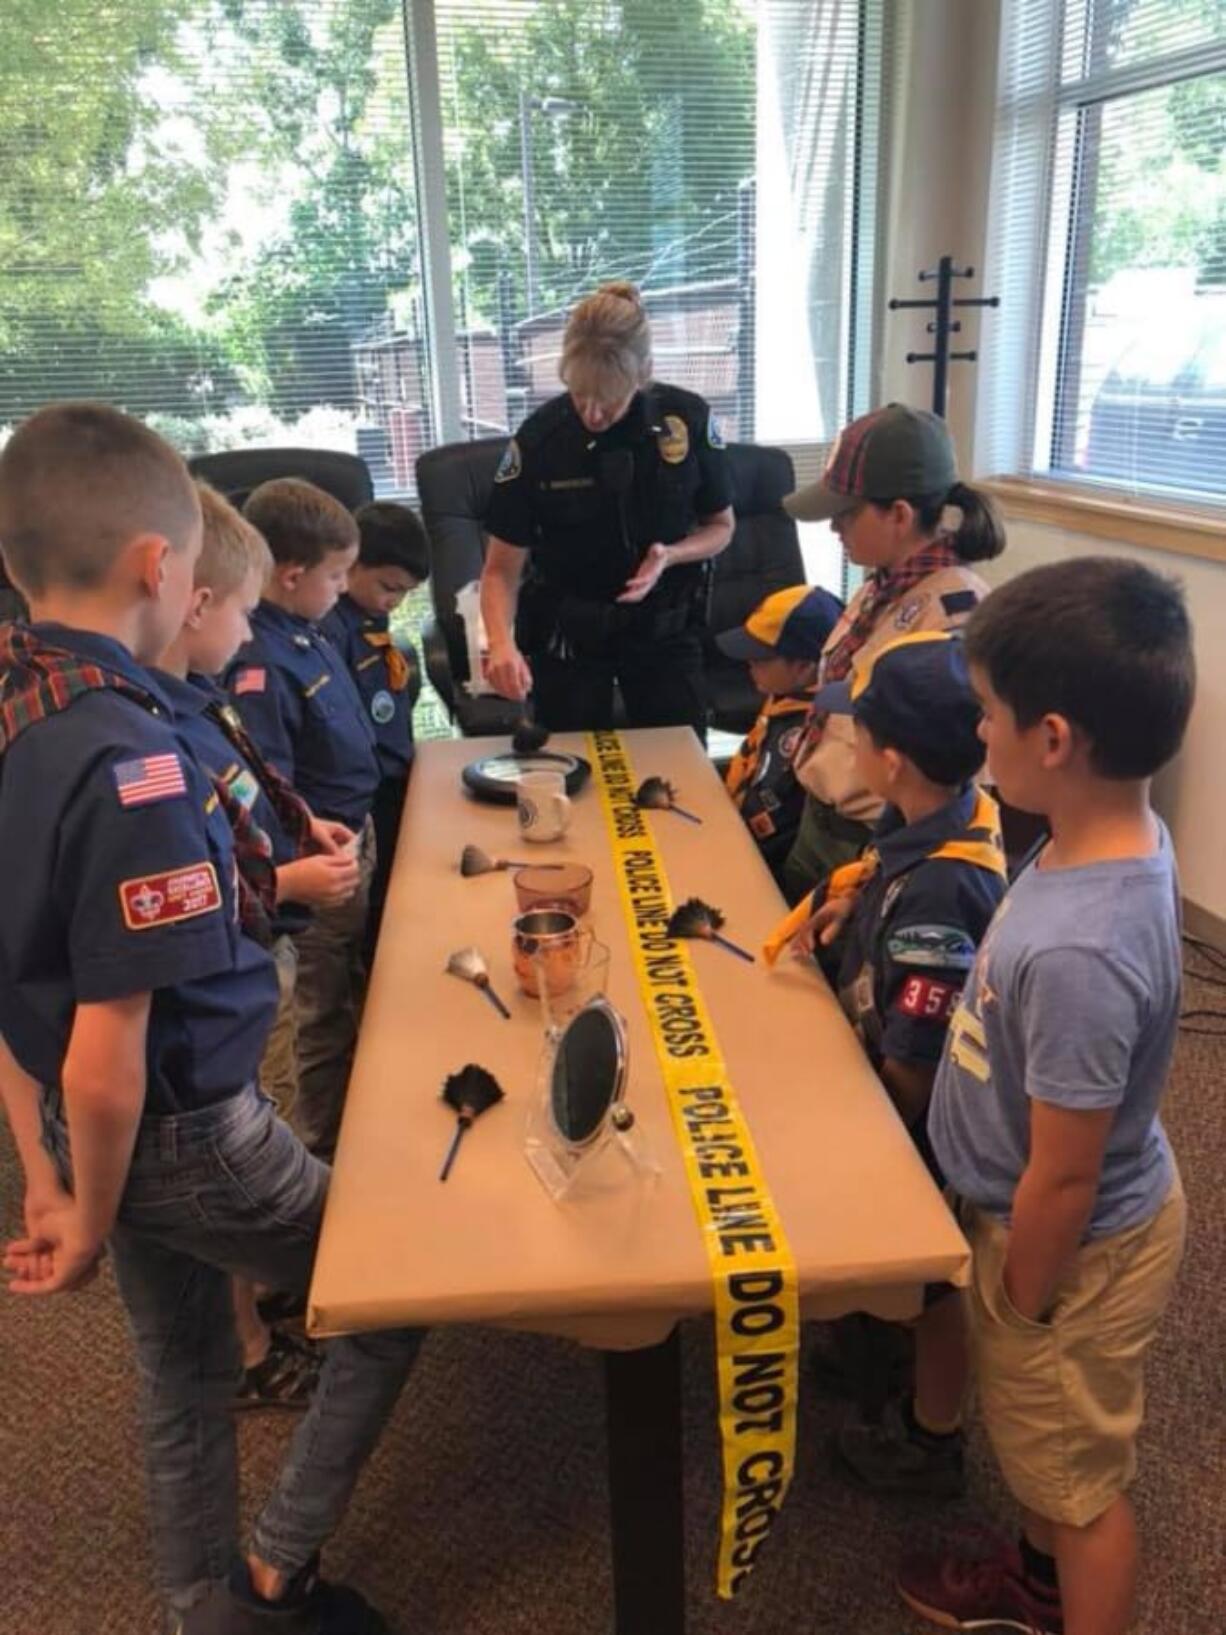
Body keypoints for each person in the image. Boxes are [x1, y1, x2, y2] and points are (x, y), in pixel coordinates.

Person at [0, 403, 421, 1634]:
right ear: (156, 566)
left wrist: (47, 1170)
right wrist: (80, 1212)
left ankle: (203, 1606)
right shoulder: (131, 760)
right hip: (172, 1128)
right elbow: (110, 1045)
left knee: (181, 1368)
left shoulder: (27, 704)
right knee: (397, 1293)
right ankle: (279, 1574)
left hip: (96, 1138)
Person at [898, 559, 1193, 1635]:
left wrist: (1021, 1301)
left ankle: (1069, 1595)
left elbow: (1064, 1173)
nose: (975, 738)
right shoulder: (1093, 837)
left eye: (985, 718)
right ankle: (1032, 1581)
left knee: (1077, 1488)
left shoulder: (1081, 948)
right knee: (1048, 1452)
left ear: (1054, 740)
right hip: (1041, 1219)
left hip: (1068, 1257)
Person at [765, 632, 1007, 1492]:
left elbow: (918, 1062)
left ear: (890, 758)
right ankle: (879, 1340)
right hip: (887, 1056)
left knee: (935, 1276)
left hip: (927, 1120)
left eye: (855, 731)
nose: (846, 742)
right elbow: (896, 880)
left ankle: (930, 1434)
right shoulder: (938, 812)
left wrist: (853, 1142)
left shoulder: (943, 894)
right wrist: (855, 901)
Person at [155, 481, 364, 1410]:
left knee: (258, 1121)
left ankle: (253, 1315)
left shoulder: (191, 700)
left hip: (236, 992)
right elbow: (186, 893)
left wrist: (297, 825)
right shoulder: (143, 740)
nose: (252, 633)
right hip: (204, 1028)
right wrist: (286, 882)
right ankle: (246, 1348)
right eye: (241, 613)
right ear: (195, 602)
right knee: (235, 1192)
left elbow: (252, 792)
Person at [480, 281, 735, 736]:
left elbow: (721, 526)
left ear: (644, 374)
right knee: (573, 775)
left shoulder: (687, 422)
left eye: (609, 399)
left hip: (664, 633)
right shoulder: (541, 440)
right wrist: (500, 643)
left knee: (678, 775)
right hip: (569, 637)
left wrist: (671, 554)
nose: (592, 414)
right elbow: (500, 570)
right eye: (580, 395)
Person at [780, 402, 1006, 904]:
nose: (833, 528)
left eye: (844, 514)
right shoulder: (879, 589)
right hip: (819, 822)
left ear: (899, 514)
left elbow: (961, 776)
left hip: (870, 843)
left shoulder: (955, 613)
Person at [226, 477, 379, 1160]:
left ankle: (352, 1111)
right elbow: (270, 787)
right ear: (291, 575)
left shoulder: (308, 632)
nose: (345, 587)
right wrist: (302, 873)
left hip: (347, 837)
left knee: (347, 987)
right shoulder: (258, 660)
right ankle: (316, 1155)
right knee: (317, 1014)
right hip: (310, 873)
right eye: (337, 574)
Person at [320, 500, 428, 963]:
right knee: (376, 893)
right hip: (366, 785)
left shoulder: (369, 613)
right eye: (389, 587)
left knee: (398, 874)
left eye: (405, 594)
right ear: (351, 564)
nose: (394, 602)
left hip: (394, 768)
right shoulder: (329, 627)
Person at [716, 583, 843, 885]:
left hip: (765, 870)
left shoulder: (815, 729)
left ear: (803, 666)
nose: (749, 665)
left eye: (760, 659)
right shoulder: (784, 694)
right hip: (732, 826)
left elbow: (782, 824)